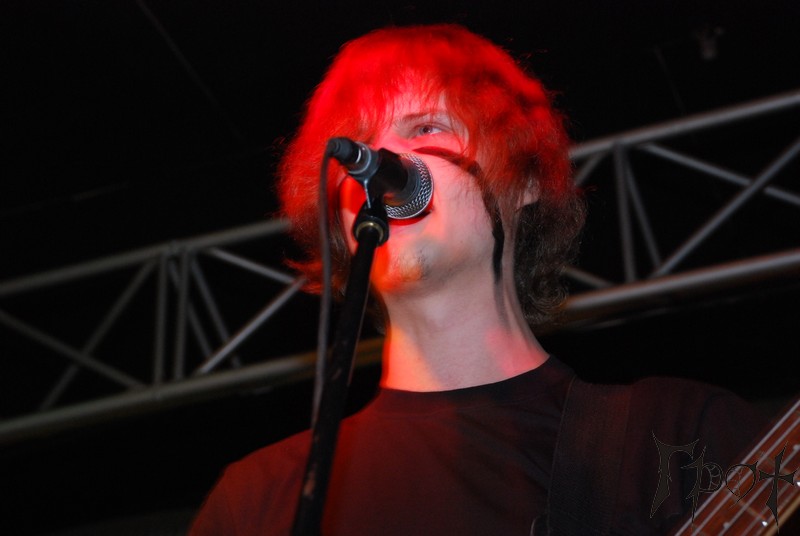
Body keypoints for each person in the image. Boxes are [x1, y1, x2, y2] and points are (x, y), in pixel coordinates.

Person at [189, 24, 767, 535]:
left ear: (525, 182)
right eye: (361, 142)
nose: (381, 159)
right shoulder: (257, 503)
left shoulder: (678, 441)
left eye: (426, 127)